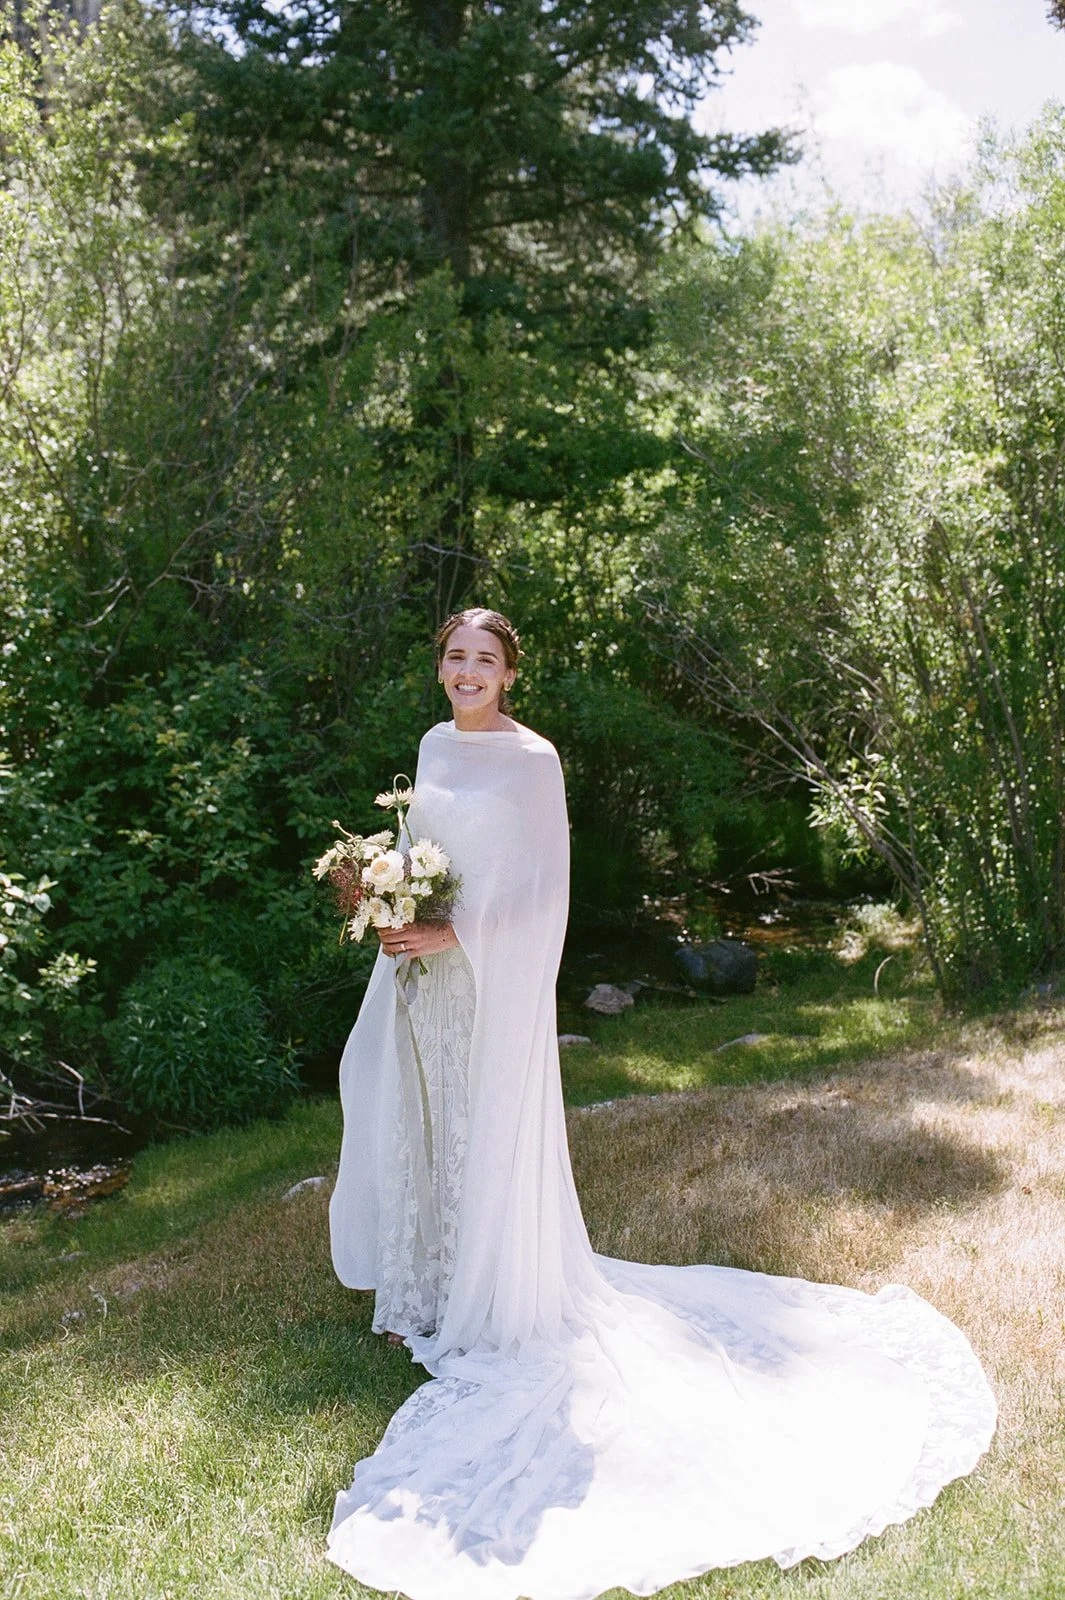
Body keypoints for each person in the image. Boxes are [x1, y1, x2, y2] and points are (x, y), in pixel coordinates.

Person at [326, 606, 997, 1600]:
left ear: (510, 673)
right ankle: (421, 1295)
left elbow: (540, 893)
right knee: (423, 1127)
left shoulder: (533, 761)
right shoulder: (430, 745)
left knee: (481, 1135)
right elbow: (425, 855)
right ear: (442, 669)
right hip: (423, 981)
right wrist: (386, 900)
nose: (468, 671)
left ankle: (489, 1298)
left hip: (485, 981)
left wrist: (455, 936)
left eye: (486, 658)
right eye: (455, 656)